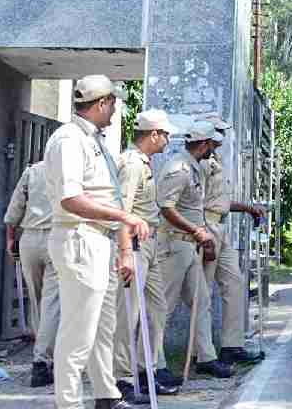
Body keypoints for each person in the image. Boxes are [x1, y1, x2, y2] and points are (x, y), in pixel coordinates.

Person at [45, 75, 150, 409]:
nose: (117, 108)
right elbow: (70, 199)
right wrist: (124, 219)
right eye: (114, 102)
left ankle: (107, 395)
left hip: (99, 240)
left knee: (102, 328)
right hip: (79, 239)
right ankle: (69, 404)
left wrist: (122, 249)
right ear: (102, 102)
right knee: (77, 334)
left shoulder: (94, 140)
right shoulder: (69, 140)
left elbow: (110, 196)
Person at [156, 120, 233, 379]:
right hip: (174, 244)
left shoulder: (195, 167)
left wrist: (203, 236)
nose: (214, 148)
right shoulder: (179, 169)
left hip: (191, 245)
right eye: (211, 143)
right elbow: (166, 207)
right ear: (202, 144)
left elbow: (194, 209)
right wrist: (196, 231)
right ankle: (155, 364)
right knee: (163, 308)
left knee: (201, 302)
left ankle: (206, 357)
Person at [112, 110, 180, 400]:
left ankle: (146, 369)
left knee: (156, 310)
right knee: (129, 314)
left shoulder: (145, 163)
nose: (167, 140)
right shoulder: (131, 164)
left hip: (149, 242)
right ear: (153, 134)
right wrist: (125, 251)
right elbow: (122, 211)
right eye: (166, 134)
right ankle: (123, 379)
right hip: (134, 245)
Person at [196, 112, 267, 365]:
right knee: (201, 295)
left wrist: (247, 208)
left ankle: (231, 345)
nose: (223, 136)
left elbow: (220, 202)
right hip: (206, 227)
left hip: (220, 227)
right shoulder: (201, 163)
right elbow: (196, 204)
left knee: (235, 285)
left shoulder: (214, 159)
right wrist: (202, 235)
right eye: (219, 131)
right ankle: (203, 355)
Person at [4, 160, 58, 388]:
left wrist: (9, 239)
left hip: (29, 240)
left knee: (37, 301)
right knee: (53, 302)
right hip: (58, 238)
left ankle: (42, 357)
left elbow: (15, 207)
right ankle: (43, 361)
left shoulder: (32, 171)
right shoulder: (73, 168)